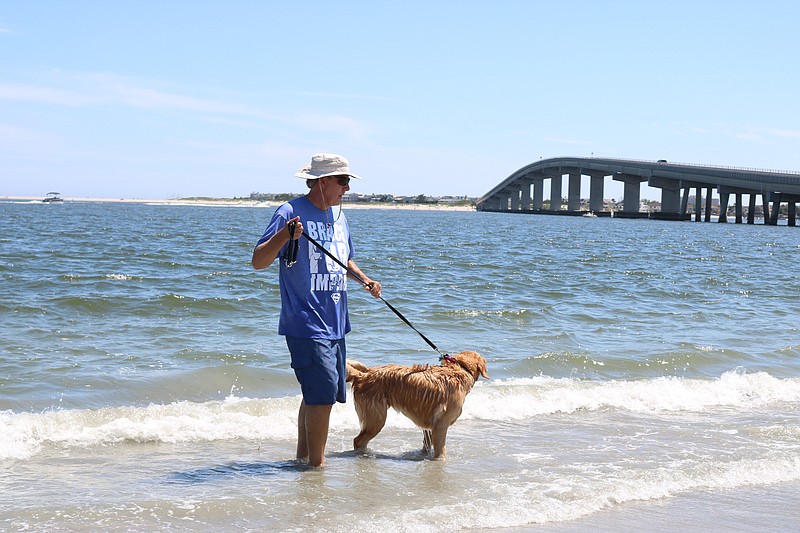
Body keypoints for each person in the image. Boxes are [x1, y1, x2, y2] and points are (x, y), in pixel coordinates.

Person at [252, 153, 382, 467]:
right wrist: (285, 234)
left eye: (348, 181)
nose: (347, 188)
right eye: (343, 181)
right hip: (306, 321)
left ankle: (302, 459)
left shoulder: (339, 217)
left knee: (316, 393)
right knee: (322, 395)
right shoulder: (290, 211)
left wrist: (364, 279)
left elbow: (344, 259)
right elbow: (258, 261)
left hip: (336, 320)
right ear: (322, 181)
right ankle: (316, 469)